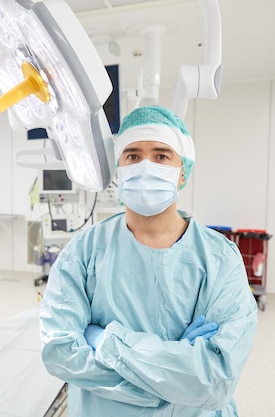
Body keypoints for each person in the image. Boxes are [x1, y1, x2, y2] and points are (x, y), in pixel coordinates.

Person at [39, 106, 258, 416]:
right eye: (132, 155)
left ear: (183, 172)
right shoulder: (83, 253)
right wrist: (174, 378)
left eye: (161, 156)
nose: (145, 166)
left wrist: (104, 339)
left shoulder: (220, 259)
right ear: (119, 169)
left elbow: (216, 379)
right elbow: (60, 353)